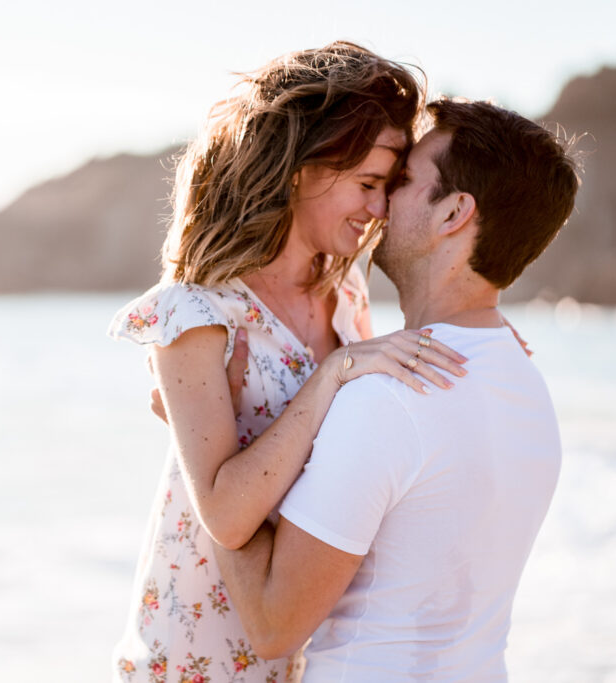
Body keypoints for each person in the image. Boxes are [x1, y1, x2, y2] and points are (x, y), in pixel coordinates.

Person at [107, 43, 470, 683]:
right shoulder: (194, 312)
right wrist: (336, 373)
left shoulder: (347, 294)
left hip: (302, 650)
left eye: (387, 188)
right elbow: (224, 513)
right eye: (366, 184)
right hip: (196, 661)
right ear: (300, 169)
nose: (380, 210)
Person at [212, 99, 581, 682]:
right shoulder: (527, 385)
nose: (380, 202)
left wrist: (210, 441)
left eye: (403, 180)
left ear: (454, 212)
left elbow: (272, 625)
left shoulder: (389, 397)